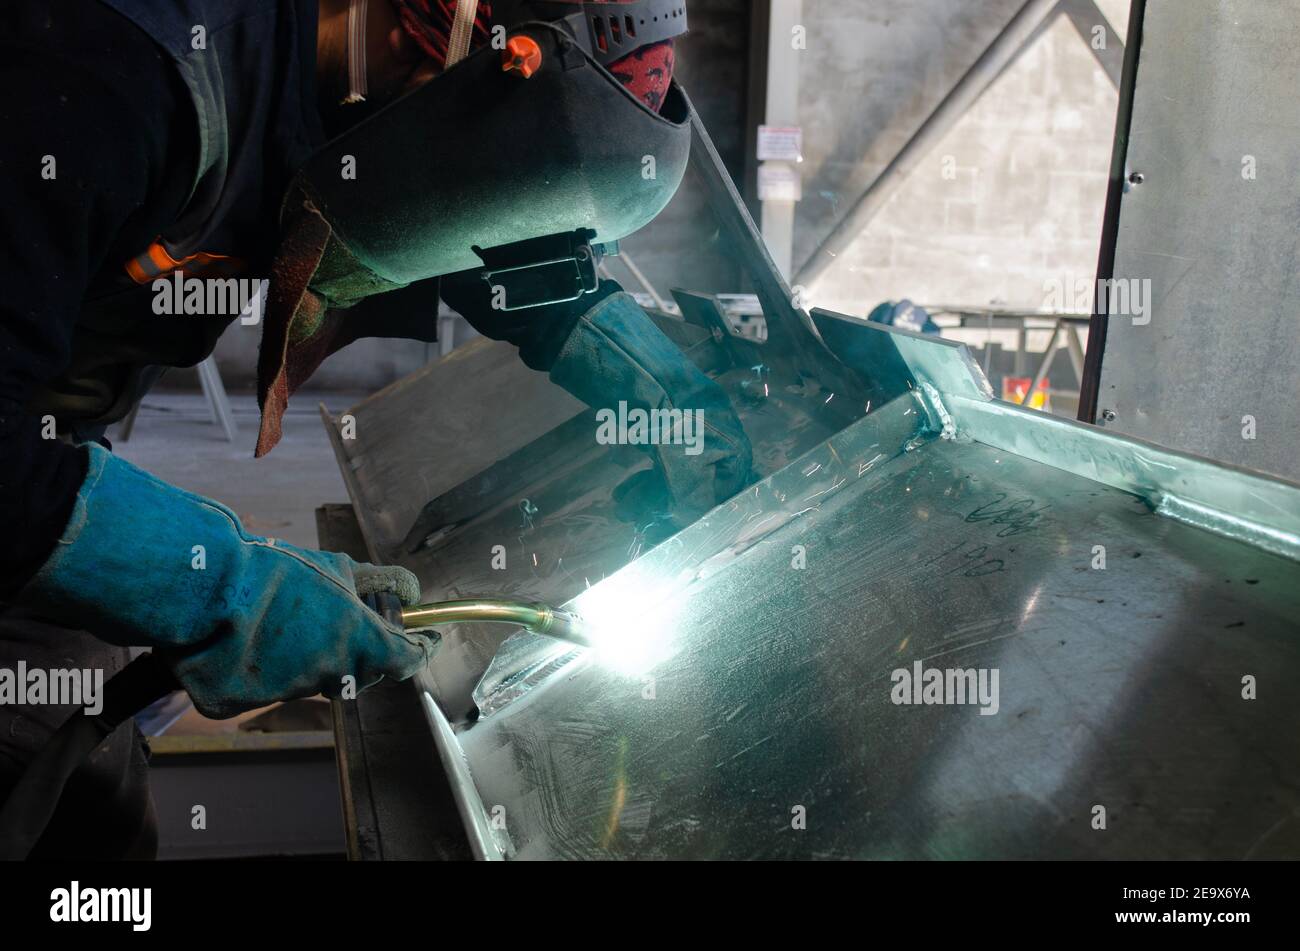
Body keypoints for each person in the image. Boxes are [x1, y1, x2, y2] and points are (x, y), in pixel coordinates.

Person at [0, 0, 751, 858]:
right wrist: (225, 584)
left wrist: (667, 393)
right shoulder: (116, 71)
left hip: (46, 448)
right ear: (410, 37)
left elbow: (469, 221)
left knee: (94, 806)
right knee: (50, 787)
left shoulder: (360, 92)